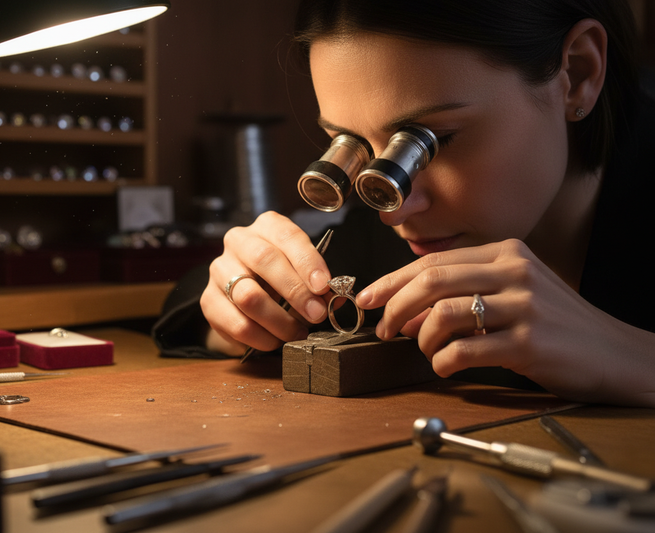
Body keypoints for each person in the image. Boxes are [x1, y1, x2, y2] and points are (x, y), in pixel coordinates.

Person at [153, 0, 655, 407]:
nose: (393, 211)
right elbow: (194, 298)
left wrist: (636, 359)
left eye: (437, 140)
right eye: (355, 149)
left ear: (578, 72)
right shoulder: (396, 232)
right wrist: (244, 308)